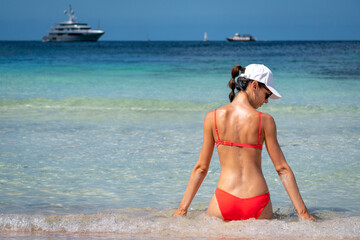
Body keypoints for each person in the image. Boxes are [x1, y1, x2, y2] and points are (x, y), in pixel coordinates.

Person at [173, 64, 315, 221]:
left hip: (223, 201)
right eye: (267, 95)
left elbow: (200, 169)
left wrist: (182, 210)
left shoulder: (212, 117)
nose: (266, 101)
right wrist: (303, 214)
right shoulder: (265, 121)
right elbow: (282, 169)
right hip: (258, 201)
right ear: (254, 85)